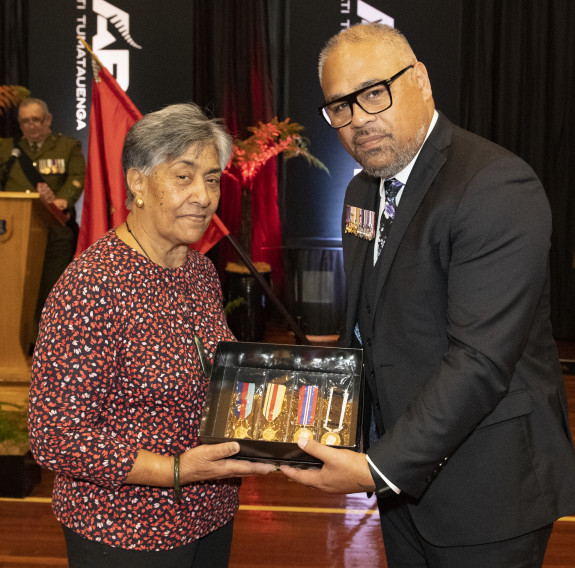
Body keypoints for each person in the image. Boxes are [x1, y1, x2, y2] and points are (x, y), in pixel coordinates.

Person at [280, 23, 575, 567]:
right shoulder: (361, 189)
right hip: (402, 488)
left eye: (374, 93)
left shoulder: (495, 184)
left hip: (489, 491)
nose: (359, 121)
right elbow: (366, 326)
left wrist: (377, 467)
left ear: (420, 80)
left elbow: (480, 361)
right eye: (339, 107)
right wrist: (328, 424)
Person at [28, 102, 275, 568]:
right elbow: (54, 434)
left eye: (211, 178)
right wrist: (175, 470)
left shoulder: (200, 271)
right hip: (125, 531)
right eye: (183, 176)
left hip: (210, 515)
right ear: (137, 182)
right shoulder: (92, 284)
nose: (203, 196)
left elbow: (210, 374)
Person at [0, 97, 86, 338]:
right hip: (12, 233)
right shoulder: (6, 148)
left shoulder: (67, 146)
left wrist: (61, 200)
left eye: (36, 120)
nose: (31, 126)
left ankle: (49, 340)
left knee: (51, 288)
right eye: (25, 121)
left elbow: (77, 177)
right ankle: (15, 341)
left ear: (47, 120)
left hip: (54, 230)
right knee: (15, 289)